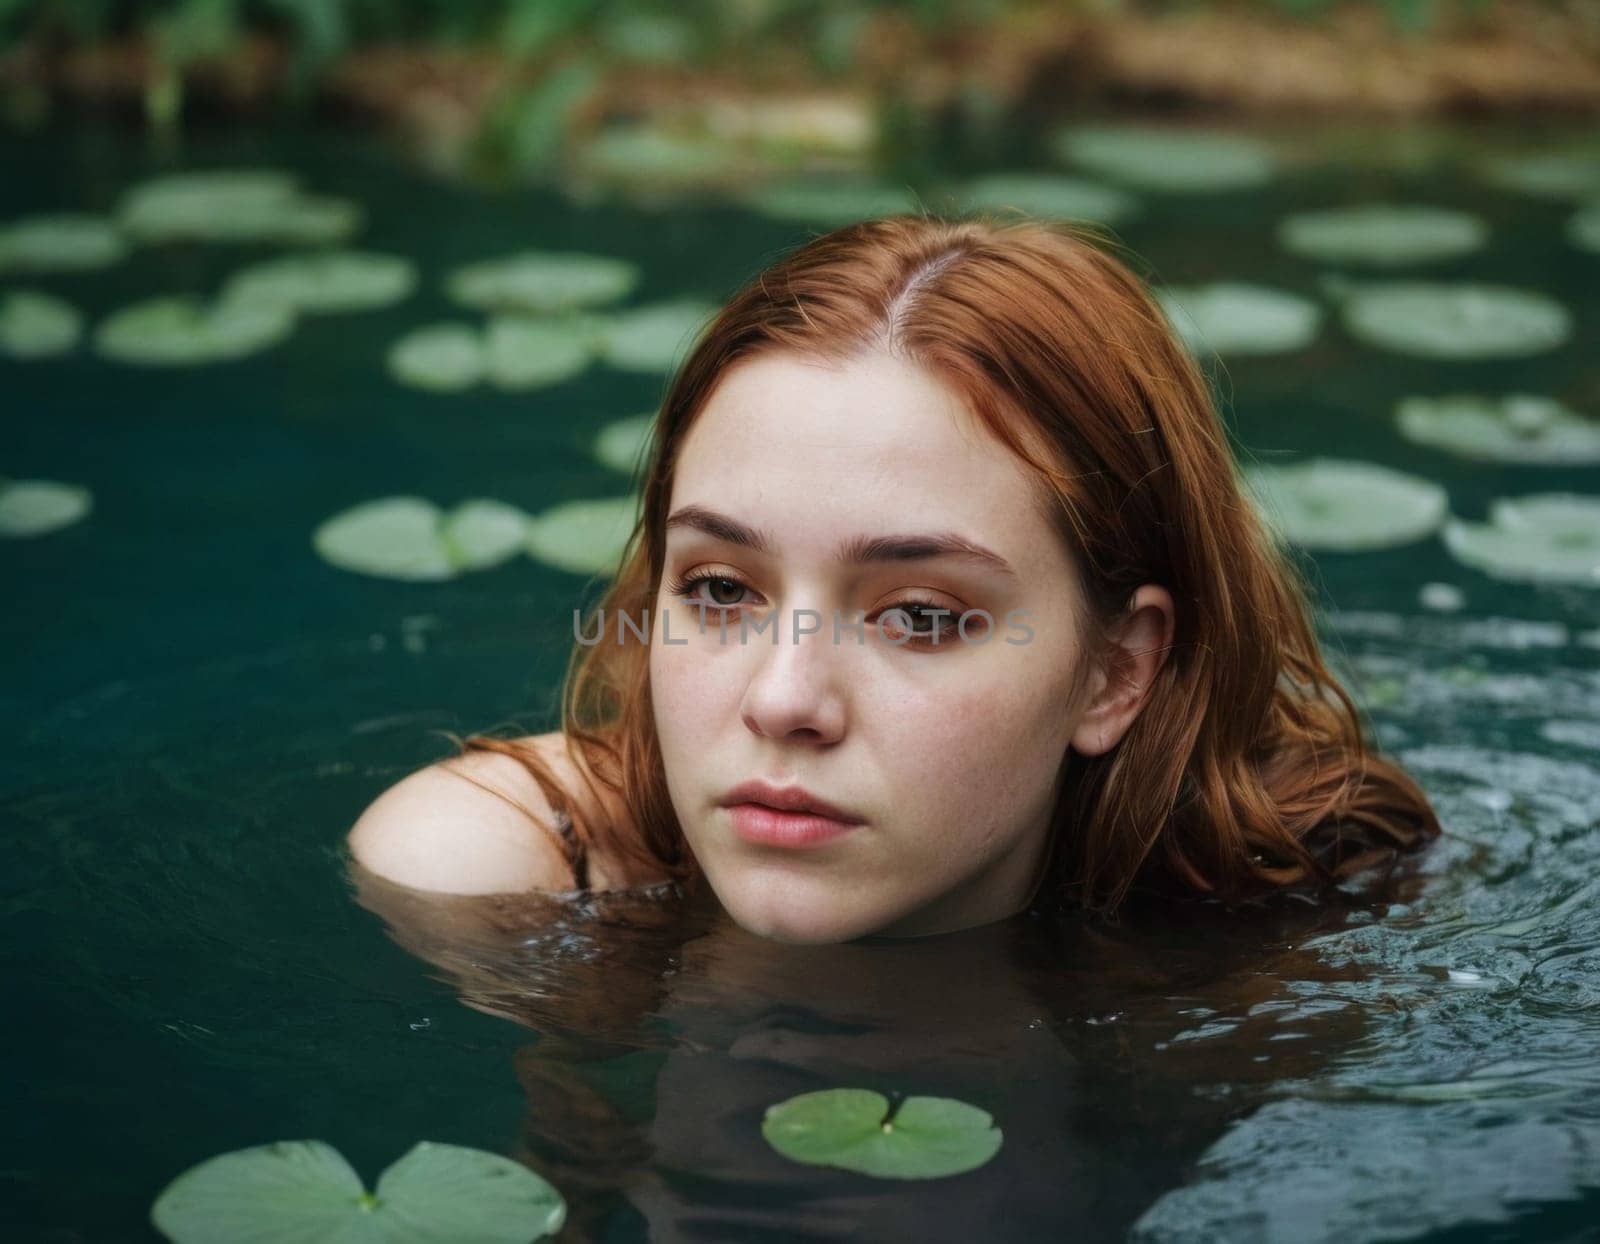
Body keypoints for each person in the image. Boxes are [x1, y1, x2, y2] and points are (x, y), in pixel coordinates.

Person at [346, 212, 1440, 945]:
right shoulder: (492, 874)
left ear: (1114, 672)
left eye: (918, 614)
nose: (782, 700)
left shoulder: (1303, 912)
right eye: (720, 590)